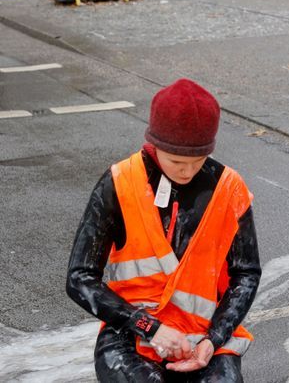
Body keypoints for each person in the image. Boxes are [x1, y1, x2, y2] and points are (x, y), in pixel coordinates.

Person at [67, 79, 260, 382]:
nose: (187, 171)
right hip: (130, 335)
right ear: (154, 145)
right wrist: (149, 327)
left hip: (204, 338)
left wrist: (214, 340)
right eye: (176, 161)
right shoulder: (119, 183)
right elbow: (79, 278)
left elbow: (246, 273)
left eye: (198, 161)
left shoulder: (229, 188)